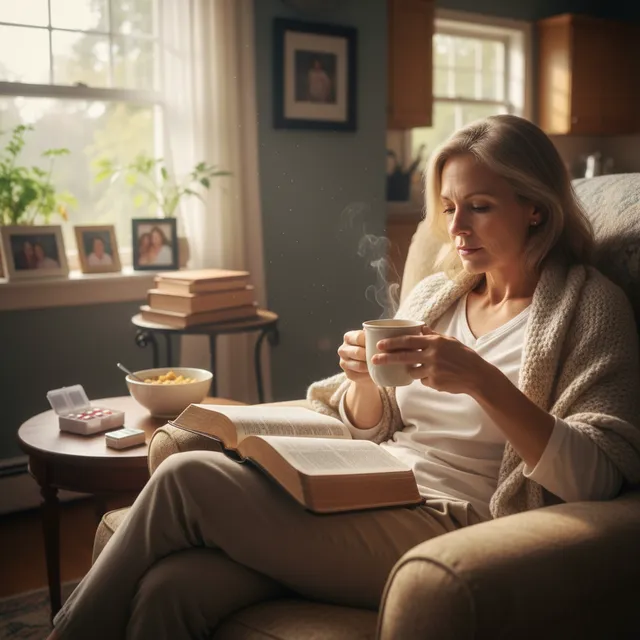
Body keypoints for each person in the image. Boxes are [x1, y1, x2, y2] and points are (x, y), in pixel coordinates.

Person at [46, 115, 640, 640]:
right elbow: (371, 424)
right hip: (370, 489)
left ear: (534, 206)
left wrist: (484, 380)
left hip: (456, 518)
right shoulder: (438, 295)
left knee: (187, 476)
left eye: (480, 207)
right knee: (173, 590)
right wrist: (361, 382)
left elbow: (597, 476)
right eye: (450, 208)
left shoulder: (588, 307)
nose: (457, 229)